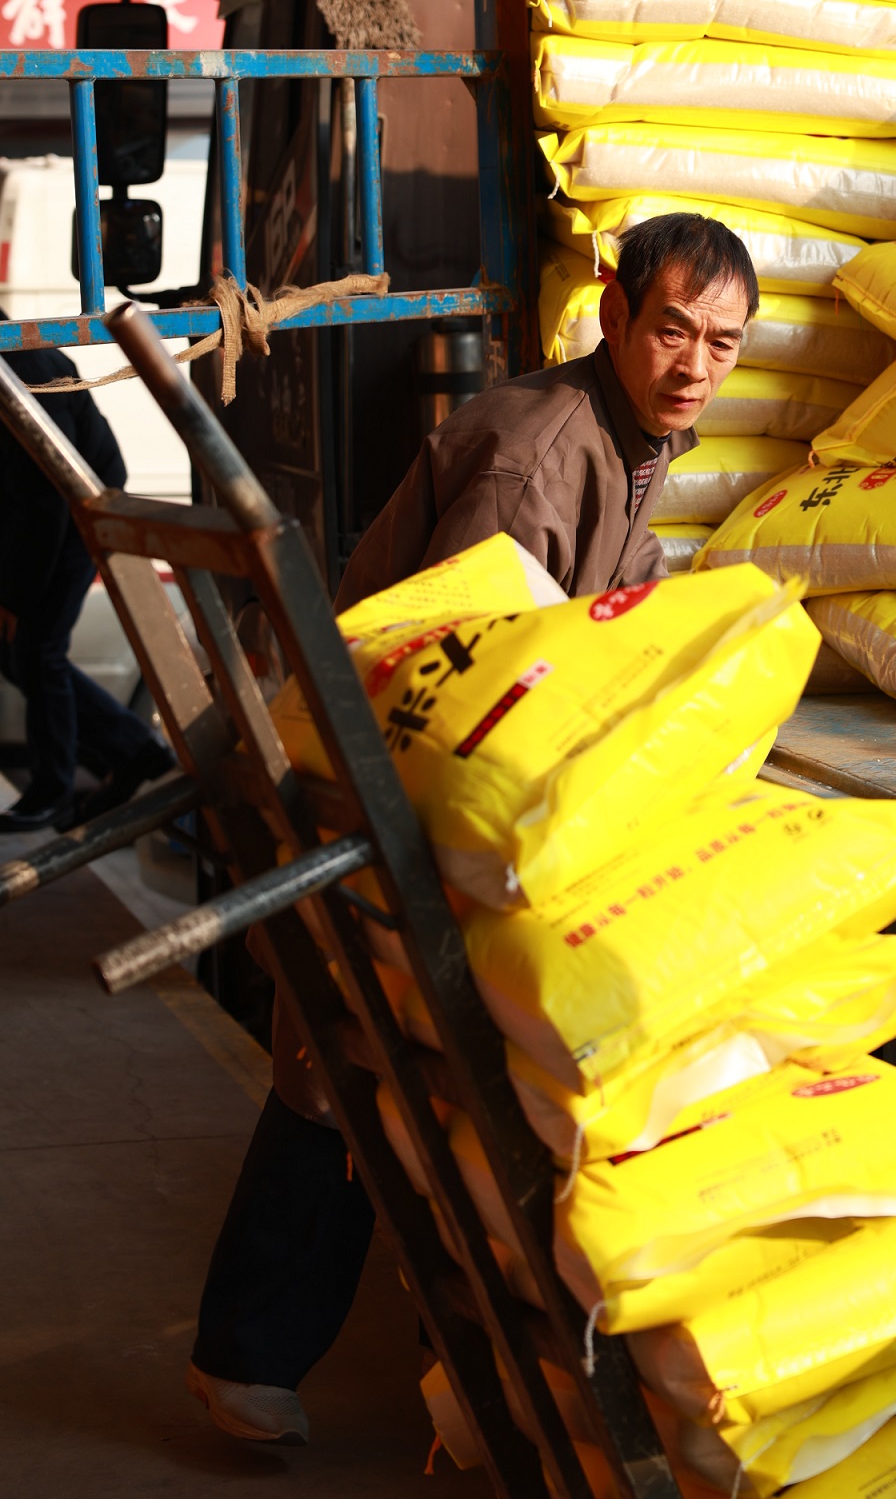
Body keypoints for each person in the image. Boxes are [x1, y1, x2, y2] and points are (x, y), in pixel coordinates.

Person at [187, 211, 757, 1445]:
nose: (695, 364)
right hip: (392, 785)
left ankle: (309, 1357)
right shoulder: (538, 455)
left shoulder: (634, 437)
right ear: (614, 313)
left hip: (434, 784)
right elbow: (467, 669)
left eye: (722, 343)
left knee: (375, 1078)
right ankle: (248, 1360)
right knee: (345, 1072)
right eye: (672, 329)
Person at [0, 248, 173, 834]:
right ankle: (134, 754)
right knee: (16, 652)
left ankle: (52, 791)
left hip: (79, 513)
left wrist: (13, 594)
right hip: (29, 527)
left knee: (36, 650)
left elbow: (48, 500)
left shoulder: (26, 367)